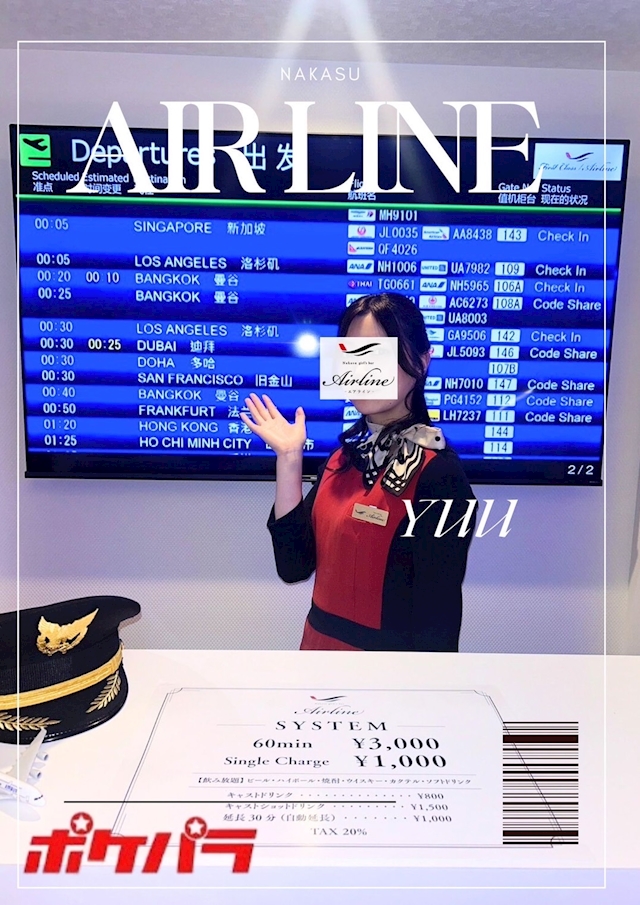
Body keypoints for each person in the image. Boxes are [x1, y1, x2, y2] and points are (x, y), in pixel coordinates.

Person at [240, 292, 476, 651]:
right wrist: (288, 459)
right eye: (353, 354)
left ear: (422, 360)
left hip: (387, 675)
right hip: (316, 661)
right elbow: (293, 567)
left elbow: (438, 622)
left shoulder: (440, 475)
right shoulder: (341, 461)